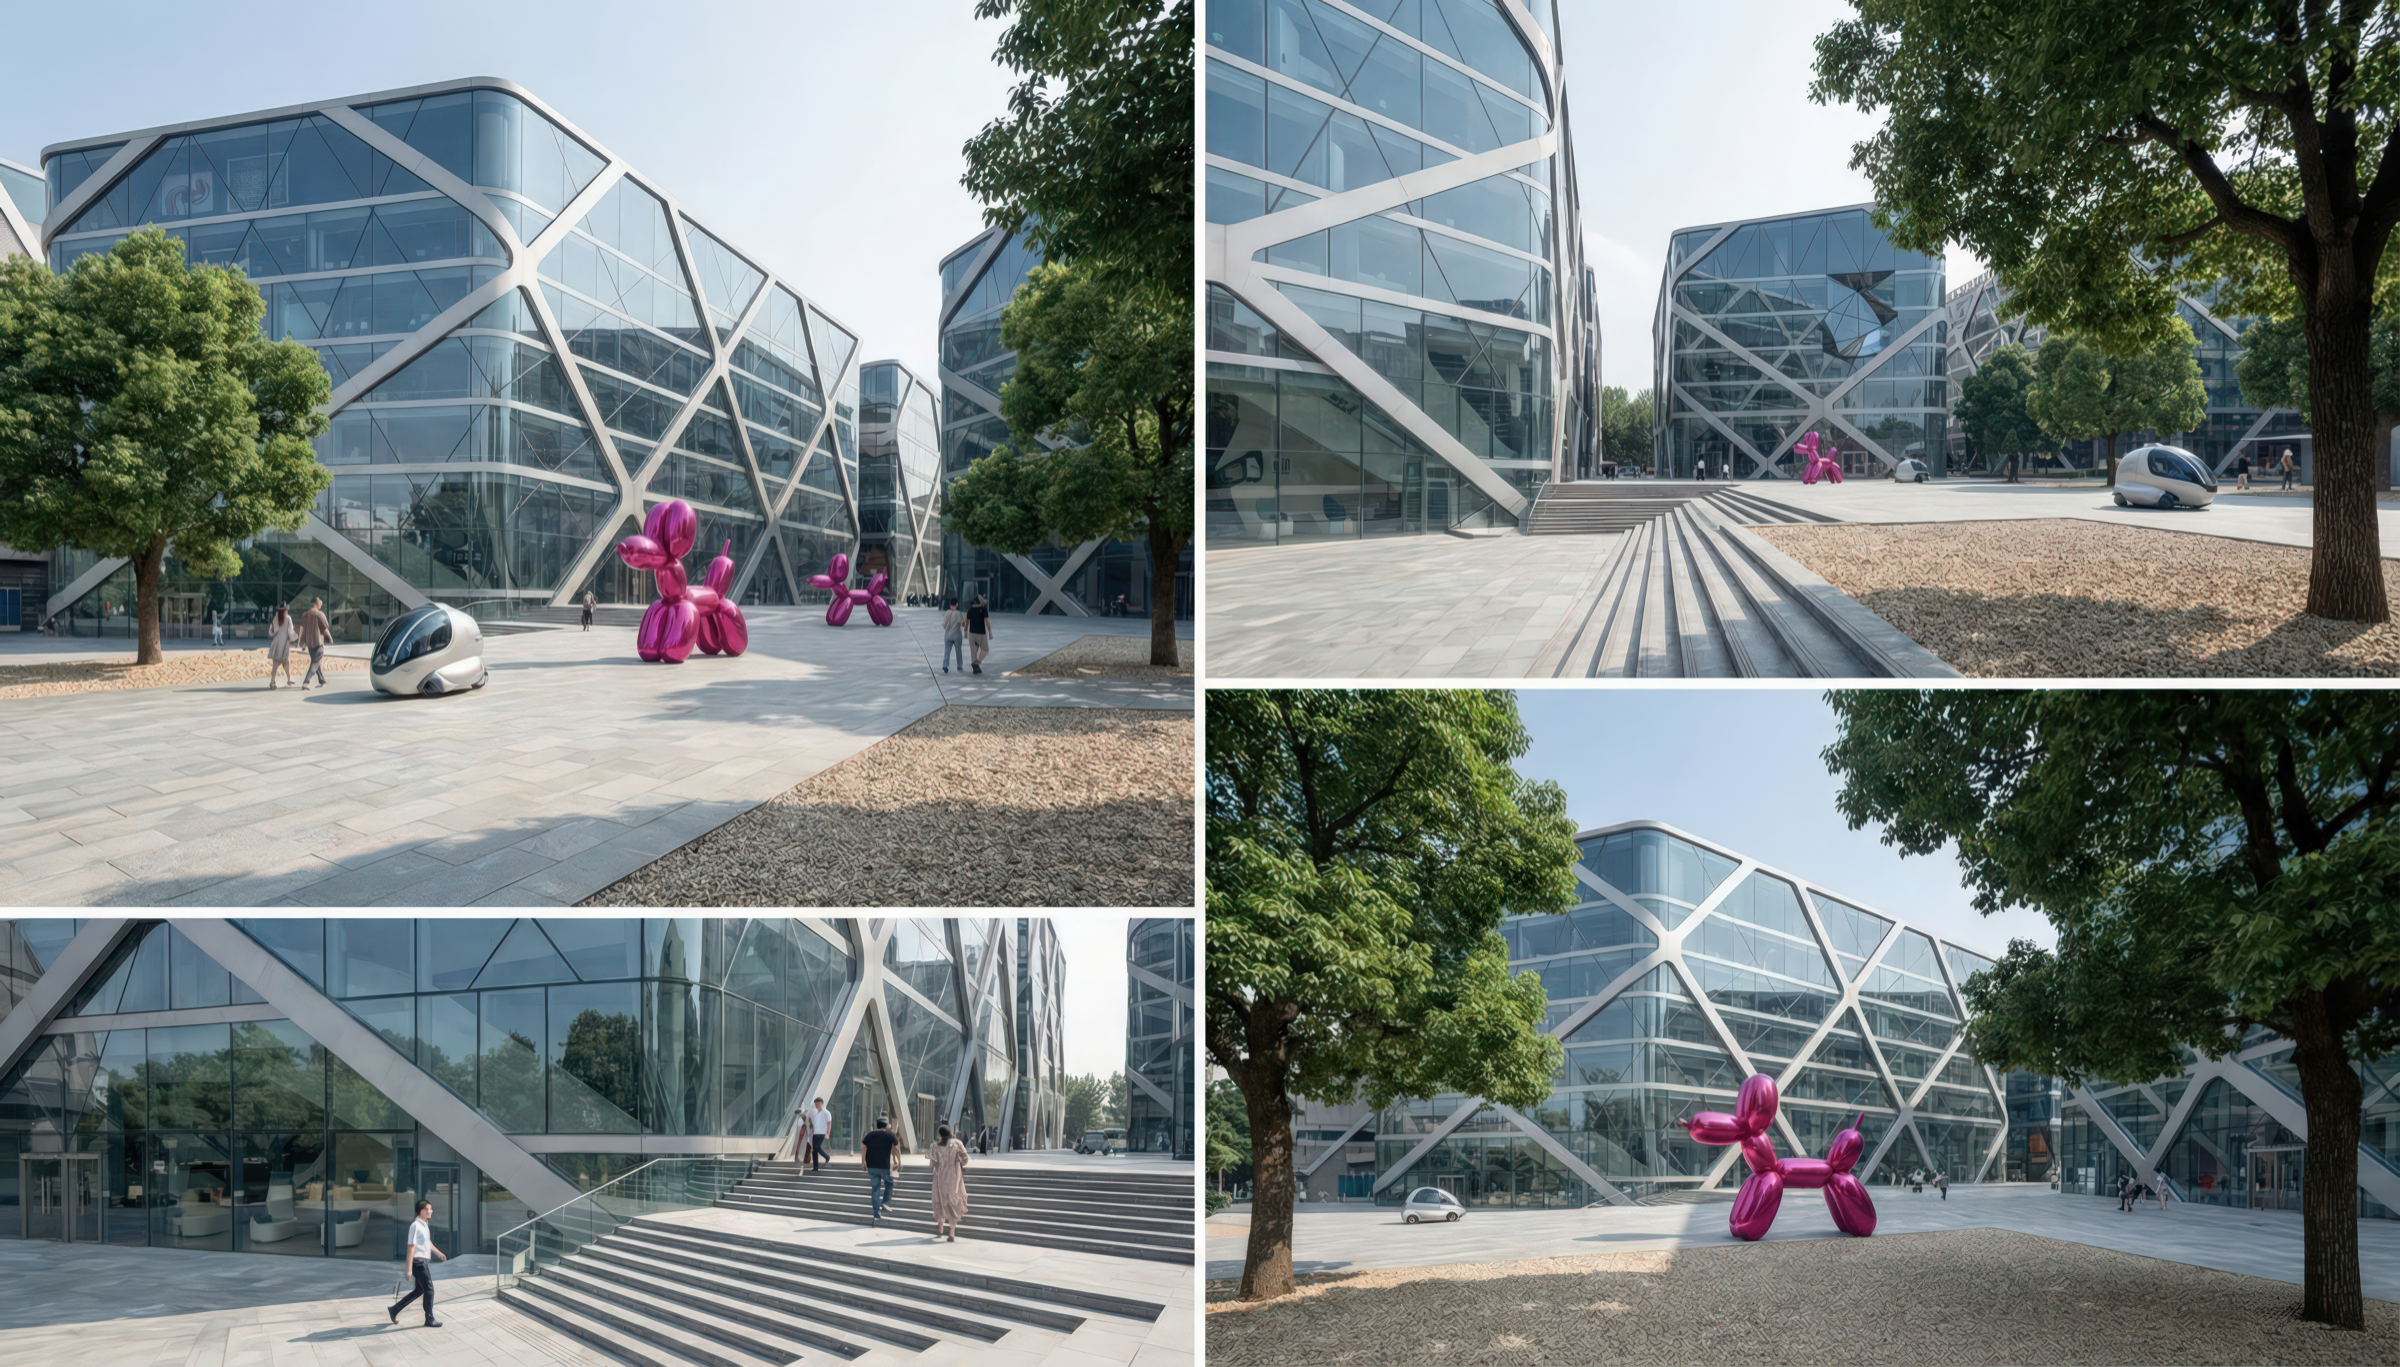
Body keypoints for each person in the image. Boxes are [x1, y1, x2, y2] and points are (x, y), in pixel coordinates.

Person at [387, 1198, 444, 1328]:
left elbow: (427, 1242)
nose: (431, 1211)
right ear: (422, 1211)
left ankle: (394, 1309)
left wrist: (438, 1253)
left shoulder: (424, 1225)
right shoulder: (415, 1226)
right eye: (429, 1209)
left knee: (419, 1290)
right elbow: (410, 1247)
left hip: (422, 1262)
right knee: (429, 1290)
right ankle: (429, 1318)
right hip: (418, 1263)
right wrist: (408, 1270)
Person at [928, 1122, 971, 1243]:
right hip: (953, 1177)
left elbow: (931, 1164)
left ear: (939, 1134)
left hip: (939, 1178)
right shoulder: (957, 1143)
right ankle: (951, 1232)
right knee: (952, 1204)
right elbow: (965, 1160)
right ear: (950, 1133)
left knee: (939, 1201)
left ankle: (940, 1226)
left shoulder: (934, 1146)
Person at [861, 1114, 901, 1225]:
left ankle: (876, 1212)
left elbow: (864, 1149)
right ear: (886, 1125)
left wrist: (863, 1162)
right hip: (884, 1165)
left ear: (877, 1125)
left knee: (875, 1188)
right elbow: (896, 1148)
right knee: (889, 1183)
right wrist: (899, 1161)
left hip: (871, 1166)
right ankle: (886, 1202)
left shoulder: (869, 1135)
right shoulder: (889, 1135)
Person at [297, 597, 332, 690]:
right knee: (316, 662)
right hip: (318, 643)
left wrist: (302, 643)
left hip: (309, 643)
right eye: (320, 601)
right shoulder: (319, 614)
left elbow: (302, 630)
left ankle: (321, 679)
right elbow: (324, 629)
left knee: (315, 661)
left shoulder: (305, 615)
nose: (322, 603)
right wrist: (330, 638)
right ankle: (306, 682)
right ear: (315, 604)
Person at [266, 606, 296, 690]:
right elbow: (290, 631)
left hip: (276, 642)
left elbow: (271, 633)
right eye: (286, 610)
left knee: (276, 663)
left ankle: (273, 682)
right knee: (285, 661)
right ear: (285, 611)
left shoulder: (275, 618)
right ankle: (289, 678)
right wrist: (294, 640)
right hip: (285, 643)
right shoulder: (288, 618)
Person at [965, 595, 992, 674]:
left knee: (973, 651)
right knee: (985, 649)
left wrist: (965, 630)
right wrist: (990, 631)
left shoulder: (970, 610)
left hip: (972, 633)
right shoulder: (983, 609)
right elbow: (987, 621)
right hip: (981, 633)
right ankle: (977, 662)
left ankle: (975, 666)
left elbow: (967, 622)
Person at [807, 1096, 832, 1175]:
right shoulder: (812, 1112)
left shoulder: (826, 1112)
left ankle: (827, 1156)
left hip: (822, 1133)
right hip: (814, 1133)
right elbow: (810, 1121)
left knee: (817, 1147)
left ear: (822, 1104)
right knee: (814, 1150)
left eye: (818, 1104)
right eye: (815, 1104)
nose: (817, 1105)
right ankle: (815, 1167)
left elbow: (829, 1123)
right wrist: (810, 1129)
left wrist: (828, 1133)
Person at [940, 598, 965, 673]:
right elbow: (962, 625)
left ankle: (945, 665)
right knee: (958, 651)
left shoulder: (947, 613)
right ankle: (959, 666)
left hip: (948, 634)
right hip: (956, 635)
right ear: (957, 604)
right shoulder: (958, 613)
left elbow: (944, 624)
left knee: (947, 650)